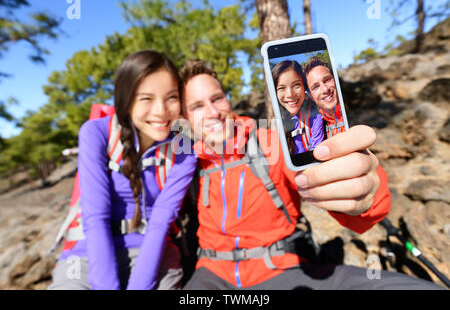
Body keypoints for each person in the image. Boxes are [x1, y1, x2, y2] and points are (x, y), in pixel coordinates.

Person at [179, 59, 441, 290]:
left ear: (227, 99)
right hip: (209, 277)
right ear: (185, 118)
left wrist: (365, 192)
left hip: (281, 271)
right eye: (197, 106)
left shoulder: (272, 144)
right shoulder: (185, 165)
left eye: (216, 98)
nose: (213, 112)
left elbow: (336, 187)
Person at [48, 50, 197, 290]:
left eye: (171, 97)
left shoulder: (184, 149)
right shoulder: (96, 133)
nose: (161, 111)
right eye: (146, 99)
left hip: (155, 253)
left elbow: (161, 221)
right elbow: (96, 217)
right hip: (89, 253)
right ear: (125, 101)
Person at [271, 60, 323, 154]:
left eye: (296, 85)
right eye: (281, 88)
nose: (290, 94)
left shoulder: (315, 119)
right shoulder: (274, 123)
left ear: (304, 87)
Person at [304, 56, 345, 139]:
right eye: (316, 87)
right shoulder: (315, 131)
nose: (325, 89)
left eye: (327, 80)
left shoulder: (357, 111)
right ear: (310, 96)